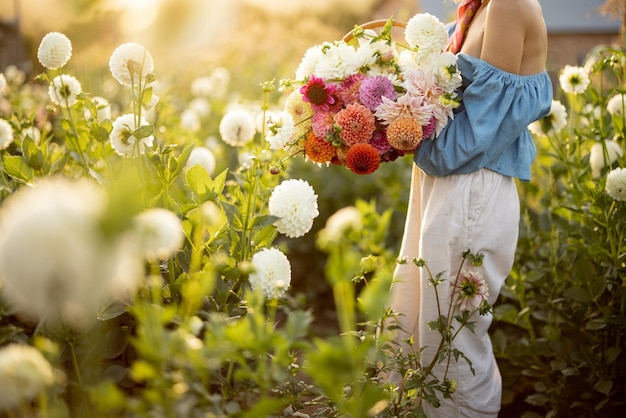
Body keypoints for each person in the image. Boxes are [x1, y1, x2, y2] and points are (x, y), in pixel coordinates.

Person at [389, 0, 553, 416]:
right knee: (416, 318)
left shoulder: (509, 6)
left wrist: (406, 133)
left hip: (472, 188)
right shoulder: (475, 9)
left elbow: (478, 133)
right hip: (442, 184)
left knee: (453, 342)